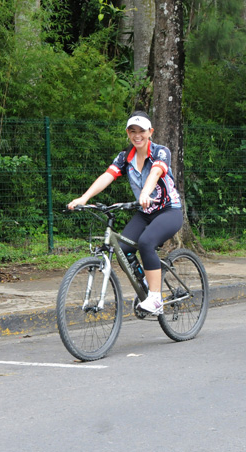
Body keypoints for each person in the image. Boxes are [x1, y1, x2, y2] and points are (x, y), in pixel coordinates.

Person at [67, 111, 183, 316]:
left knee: (146, 242)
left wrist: (146, 193)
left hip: (168, 210)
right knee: (122, 249)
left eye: (142, 131)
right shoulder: (124, 157)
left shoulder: (160, 151)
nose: (137, 135)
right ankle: (147, 284)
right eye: (132, 131)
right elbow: (107, 175)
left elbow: (156, 172)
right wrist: (83, 198)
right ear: (128, 133)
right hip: (145, 212)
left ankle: (156, 298)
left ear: (150, 132)